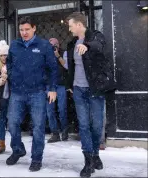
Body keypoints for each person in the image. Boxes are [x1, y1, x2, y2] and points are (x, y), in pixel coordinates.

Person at [6, 16, 59, 172]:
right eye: (21, 30)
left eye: (27, 29)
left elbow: (53, 69)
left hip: (37, 92)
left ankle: (36, 158)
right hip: (17, 92)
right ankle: (18, 149)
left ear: (34, 28)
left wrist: (52, 88)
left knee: (38, 127)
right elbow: (9, 63)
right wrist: (11, 75)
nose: (24, 33)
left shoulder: (43, 45)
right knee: (13, 123)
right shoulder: (14, 45)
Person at [66, 12, 115, 178]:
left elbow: (99, 45)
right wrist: (69, 86)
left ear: (79, 24)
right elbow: (71, 67)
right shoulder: (72, 44)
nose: (69, 28)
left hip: (95, 90)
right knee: (84, 125)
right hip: (78, 89)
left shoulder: (96, 36)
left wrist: (87, 45)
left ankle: (95, 154)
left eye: (71, 25)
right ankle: (88, 160)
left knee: (97, 125)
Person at [46, 38, 69, 143]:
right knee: (50, 110)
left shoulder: (63, 53)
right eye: (51, 45)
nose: (53, 47)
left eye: (55, 45)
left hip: (61, 85)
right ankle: (55, 133)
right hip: (50, 85)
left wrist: (57, 56)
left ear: (58, 45)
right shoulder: (46, 54)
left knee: (62, 109)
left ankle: (64, 131)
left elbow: (67, 66)